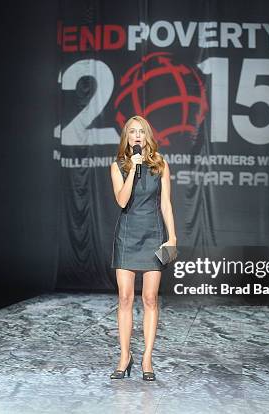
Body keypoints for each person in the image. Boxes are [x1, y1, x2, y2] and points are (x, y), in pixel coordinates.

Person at [109, 115, 177, 381]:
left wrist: (172, 238)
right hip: (127, 235)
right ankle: (125, 356)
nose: (136, 135)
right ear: (126, 137)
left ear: (147, 136)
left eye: (141, 131)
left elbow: (166, 205)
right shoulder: (118, 166)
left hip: (154, 235)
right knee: (125, 298)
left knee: (150, 298)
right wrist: (133, 170)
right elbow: (122, 201)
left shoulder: (161, 165)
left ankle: (147, 357)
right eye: (131, 131)